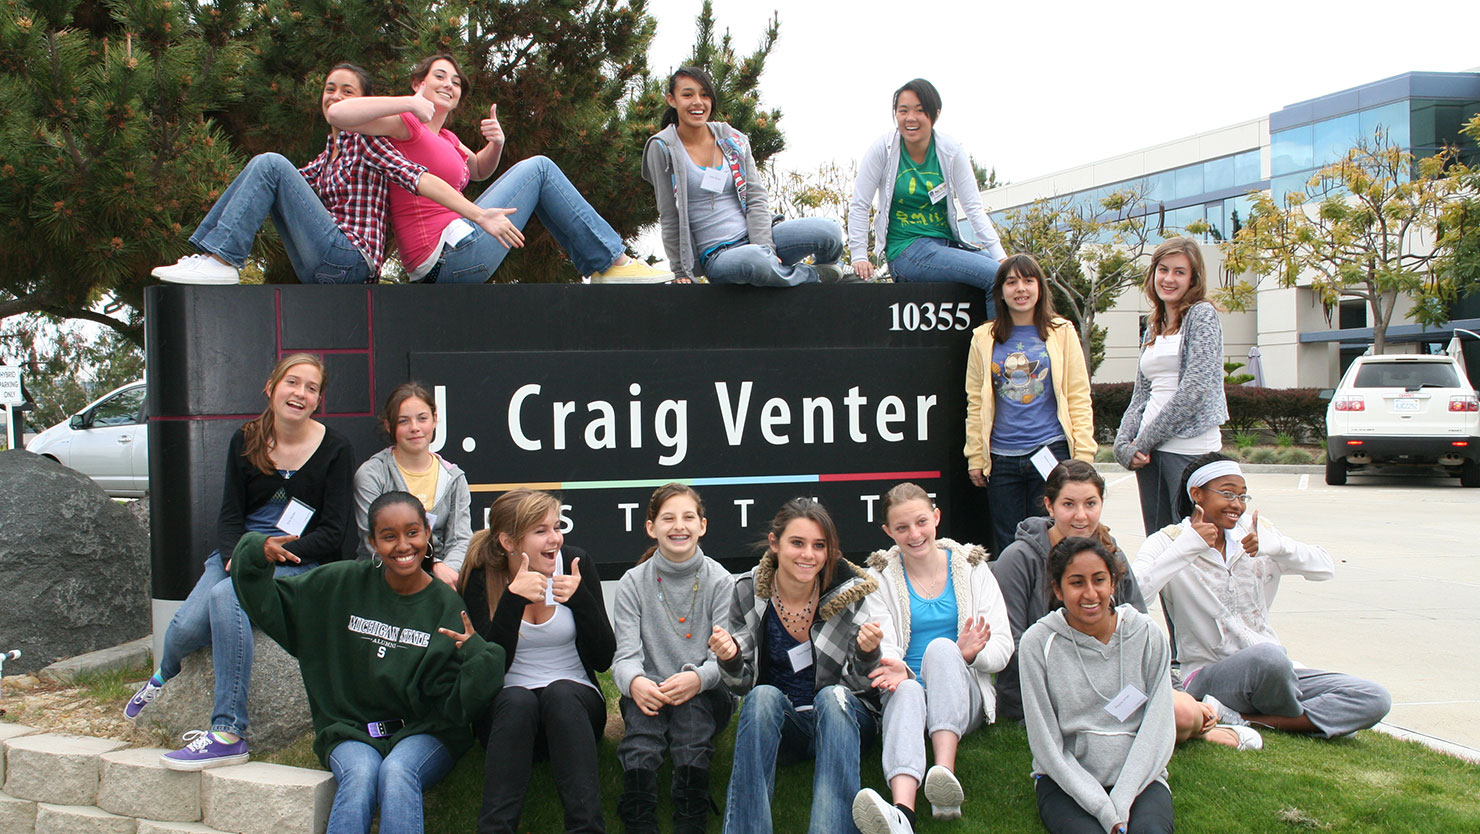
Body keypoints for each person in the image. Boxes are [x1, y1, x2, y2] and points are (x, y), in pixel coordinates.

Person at [125, 353, 354, 769]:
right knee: (185, 629)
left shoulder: (336, 448)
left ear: (318, 400)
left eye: (311, 388)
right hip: (242, 550)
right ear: (271, 387)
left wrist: (279, 554)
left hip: (297, 558)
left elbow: (334, 531)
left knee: (225, 598)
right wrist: (236, 556)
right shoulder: (245, 439)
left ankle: (228, 732)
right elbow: (230, 515)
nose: (300, 393)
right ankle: (164, 675)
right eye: (292, 382)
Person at [232, 491, 504, 834]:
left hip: (423, 731)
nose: (403, 545)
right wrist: (254, 553)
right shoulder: (340, 583)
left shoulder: (445, 604)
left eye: (412, 532)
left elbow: (458, 702)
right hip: (350, 729)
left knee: (397, 772)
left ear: (427, 534)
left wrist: (477, 654)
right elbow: (272, 604)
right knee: (360, 774)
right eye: (389, 536)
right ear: (372, 542)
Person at [153, 63, 513, 285]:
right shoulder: (329, 154)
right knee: (266, 169)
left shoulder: (367, 141)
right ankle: (210, 258)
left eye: (347, 91)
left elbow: (420, 178)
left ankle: (221, 260)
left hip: (351, 259)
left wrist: (479, 214)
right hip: (323, 266)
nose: (336, 96)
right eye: (330, 89)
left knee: (270, 163)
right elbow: (281, 185)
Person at [326, 54, 669, 284]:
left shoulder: (448, 139)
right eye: (439, 77)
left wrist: (497, 145)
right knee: (540, 169)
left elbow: (477, 170)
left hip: (458, 250)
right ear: (419, 83)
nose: (448, 85)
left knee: (540, 177)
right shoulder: (406, 123)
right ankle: (612, 264)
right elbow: (338, 115)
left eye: (456, 82)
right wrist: (410, 103)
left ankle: (604, 267)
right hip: (444, 255)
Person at [992, 461, 1255, 751]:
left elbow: (1142, 633)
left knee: (1183, 707)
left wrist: (1174, 689)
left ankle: (1174, 719)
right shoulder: (1020, 559)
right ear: (1049, 506)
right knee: (1180, 715)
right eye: (1068, 504)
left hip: (1115, 685)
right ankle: (1203, 733)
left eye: (1090, 503)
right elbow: (1013, 647)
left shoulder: (1110, 553)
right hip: (1049, 695)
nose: (1081, 515)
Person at [1133, 454, 1391, 740]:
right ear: (1197, 494)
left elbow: (1324, 568)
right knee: (1269, 658)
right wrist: (1186, 548)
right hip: (1210, 675)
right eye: (1228, 494)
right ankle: (1308, 718)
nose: (1237, 504)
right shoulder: (1168, 541)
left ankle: (1246, 719)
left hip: (1275, 670)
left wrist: (1277, 547)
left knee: (1374, 697)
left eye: (1243, 496)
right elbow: (1135, 595)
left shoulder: (1255, 536)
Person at [851, 483, 1013, 834]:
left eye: (921, 522)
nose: (914, 534)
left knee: (941, 648)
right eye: (902, 527)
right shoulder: (879, 578)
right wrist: (899, 668)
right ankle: (902, 815)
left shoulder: (972, 568)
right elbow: (886, 646)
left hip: (961, 692)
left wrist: (969, 655)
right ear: (888, 532)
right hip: (907, 689)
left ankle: (944, 779)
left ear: (936, 518)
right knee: (907, 689)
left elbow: (1002, 646)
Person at [712, 498, 881, 834]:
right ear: (775, 544)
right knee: (762, 696)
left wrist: (867, 653)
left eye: (819, 546)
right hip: (788, 726)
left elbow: (861, 685)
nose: (808, 555)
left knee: (832, 696)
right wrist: (729, 658)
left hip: (844, 720)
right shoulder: (748, 590)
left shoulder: (848, 590)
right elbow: (742, 685)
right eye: (798, 543)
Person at [459, 489, 616, 833]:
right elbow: (489, 671)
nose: (555, 539)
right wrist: (512, 600)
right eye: (541, 531)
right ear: (508, 542)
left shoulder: (575, 563)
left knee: (561, 693)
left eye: (557, 527)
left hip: (574, 711)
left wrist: (581, 601)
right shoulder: (482, 575)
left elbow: (604, 659)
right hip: (508, 719)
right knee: (518, 699)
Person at [1021, 537, 1176, 834]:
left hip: (1140, 779)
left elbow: (1158, 730)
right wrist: (1105, 810)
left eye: (1099, 580)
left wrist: (1122, 799)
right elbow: (1046, 745)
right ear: (1058, 589)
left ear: (1113, 583)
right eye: (1077, 583)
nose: (1091, 593)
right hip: (1066, 781)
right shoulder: (1037, 643)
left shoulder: (1148, 635)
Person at [643, 67, 844, 286]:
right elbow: (669, 214)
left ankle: (829, 270)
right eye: (688, 95)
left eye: (705, 95)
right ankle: (814, 278)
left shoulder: (732, 139)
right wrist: (680, 271)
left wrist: (766, 247)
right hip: (719, 255)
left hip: (759, 237)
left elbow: (756, 197)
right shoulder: (663, 147)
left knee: (829, 231)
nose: (698, 102)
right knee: (756, 261)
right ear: (672, 100)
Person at [611, 484, 735, 833]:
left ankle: (691, 814)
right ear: (651, 528)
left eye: (688, 517)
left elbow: (724, 661)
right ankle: (638, 813)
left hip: (706, 691)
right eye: (668, 518)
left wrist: (697, 679)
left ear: (702, 525)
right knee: (642, 729)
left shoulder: (721, 581)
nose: (679, 526)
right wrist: (636, 682)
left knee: (692, 719)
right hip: (651, 689)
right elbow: (624, 657)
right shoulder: (632, 582)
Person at [965, 254, 1095, 554]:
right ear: (1000, 291)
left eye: (1028, 280)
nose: (1020, 289)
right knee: (1009, 546)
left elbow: (1078, 394)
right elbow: (975, 401)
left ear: (1040, 287)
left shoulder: (1061, 332)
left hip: (1050, 451)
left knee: (1054, 541)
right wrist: (975, 456)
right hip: (1002, 459)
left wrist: (1084, 455)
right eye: (1011, 282)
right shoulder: (983, 337)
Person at [847, 78, 1007, 304]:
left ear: (935, 114)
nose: (910, 118)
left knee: (1012, 276)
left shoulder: (950, 151)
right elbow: (860, 205)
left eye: (920, 111)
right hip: (907, 251)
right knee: (997, 277)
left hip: (947, 245)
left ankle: (1018, 330)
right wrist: (859, 256)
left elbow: (973, 207)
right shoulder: (883, 149)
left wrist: (999, 255)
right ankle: (996, 330)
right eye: (903, 111)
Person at [1114, 238, 1228, 535]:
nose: (1169, 278)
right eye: (1163, 269)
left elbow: (1194, 390)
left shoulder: (1202, 315)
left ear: (1193, 278)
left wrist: (1142, 442)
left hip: (1189, 451)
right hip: (1150, 456)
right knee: (1160, 544)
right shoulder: (1154, 324)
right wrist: (1122, 444)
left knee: (1194, 544)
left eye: (1179, 272)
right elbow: (1141, 395)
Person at [353, 382, 472, 587]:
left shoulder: (454, 477)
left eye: (422, 418)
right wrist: (431, 568)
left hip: (443, 582)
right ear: (389, 426)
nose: (415, 427)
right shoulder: (372, 475)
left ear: (434, 420)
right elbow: (373, 542)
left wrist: (447, 573)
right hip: (383, 579)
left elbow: (461, 540)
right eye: (403, 421)